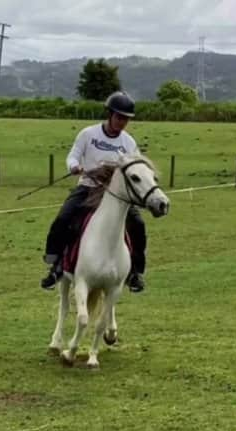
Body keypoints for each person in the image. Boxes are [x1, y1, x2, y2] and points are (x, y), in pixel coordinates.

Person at [41, 91, 147, 293]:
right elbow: (73, 156)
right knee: (64, 218)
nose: (122, 122)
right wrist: (74, 166)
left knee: (138, 225)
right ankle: (55, 265)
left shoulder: (129, 142)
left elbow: (135, 167)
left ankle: (135, 273)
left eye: (126, 119)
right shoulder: (88, 134)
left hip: (116, 194)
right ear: (109, 114)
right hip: (88, 187)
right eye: (119, 117)